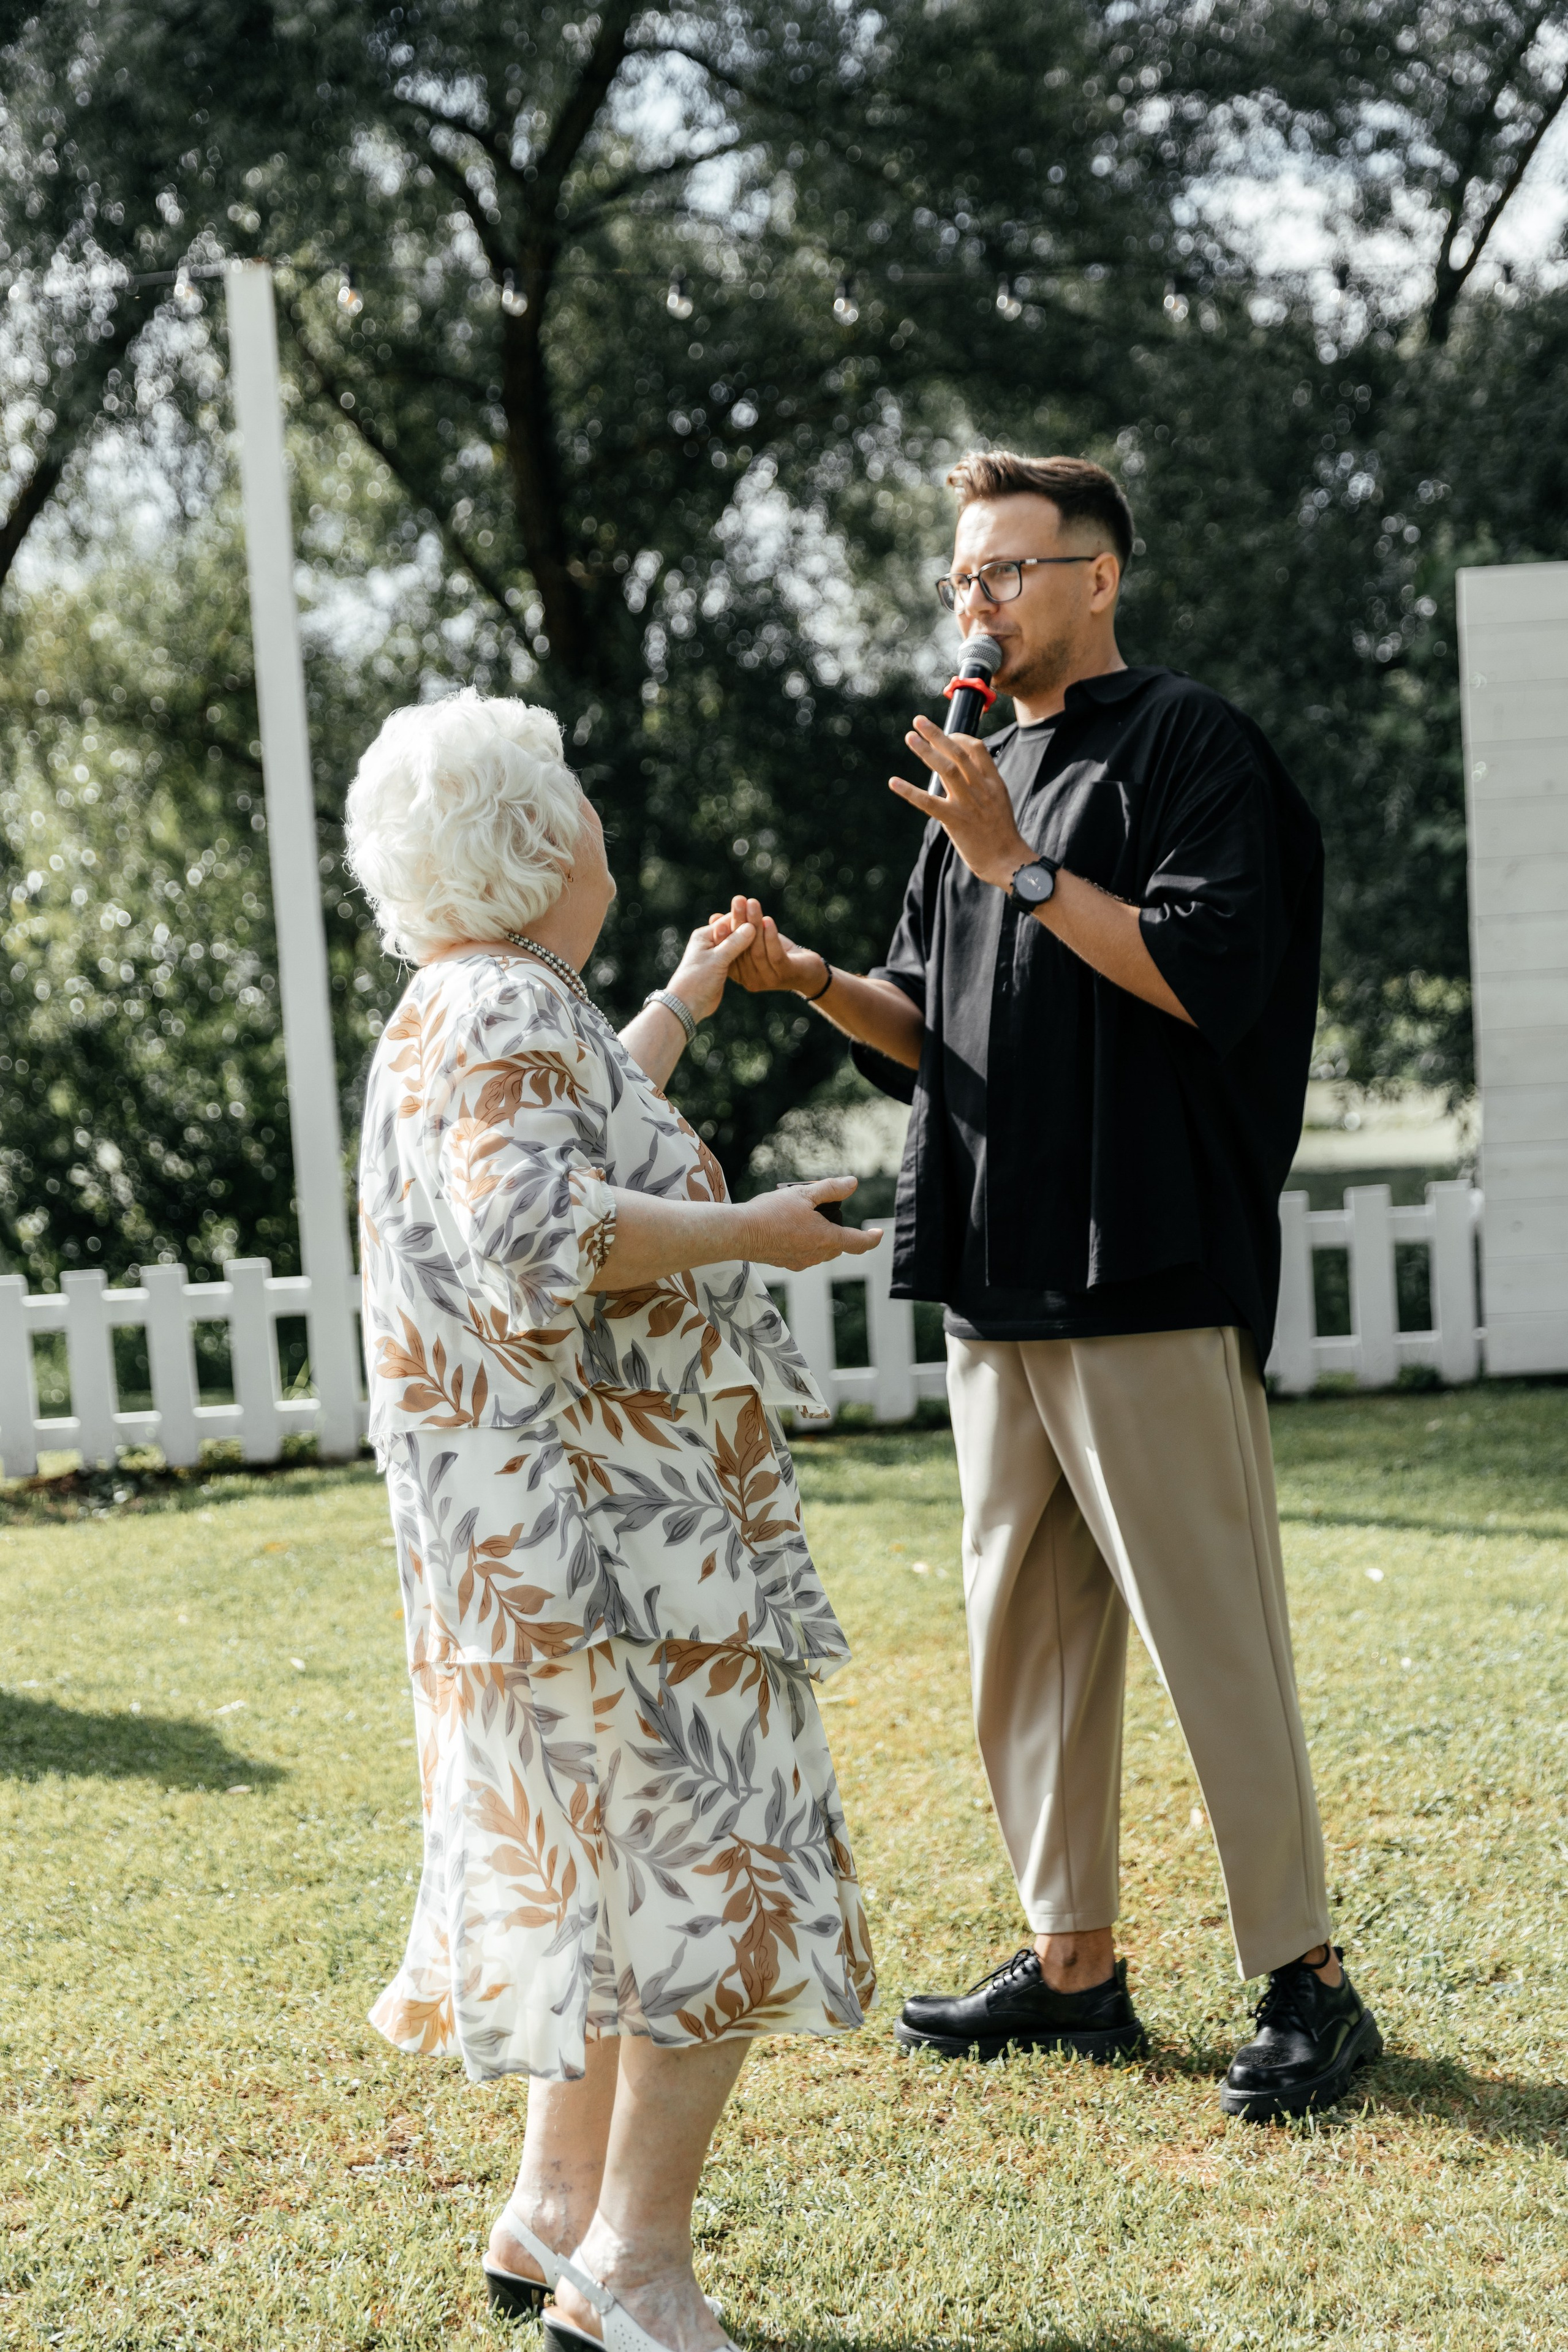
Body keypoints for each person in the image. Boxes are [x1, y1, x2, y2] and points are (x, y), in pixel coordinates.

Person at [714, 450, 1382, 2122]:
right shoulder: (979, 777)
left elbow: (1203, 973)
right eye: (965, 576)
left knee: (1207, 1635)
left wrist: (1013, 857)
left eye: (1010, 569)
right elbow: (930, 1019)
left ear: (1101, 576)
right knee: (1028, 1647)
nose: (980, 601)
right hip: (995, 1281)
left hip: (1148, 1265)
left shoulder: (1189, 747)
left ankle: (1307, 1980)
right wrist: (810, 981)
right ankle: (1071, 1967)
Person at [345, 689, 880, 2351]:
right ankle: (634, 2275)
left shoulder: (475, 1004)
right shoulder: (506, 1005)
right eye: (568, 795)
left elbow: (564, 1130)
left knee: (598, 1889)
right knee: (710, 1884)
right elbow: (545, 1230)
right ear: (530, 839)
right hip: (620, 1549)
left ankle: (550, 2214)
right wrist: (759, 1238)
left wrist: (676, 1008)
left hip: (533, 1551)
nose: (595, 822)